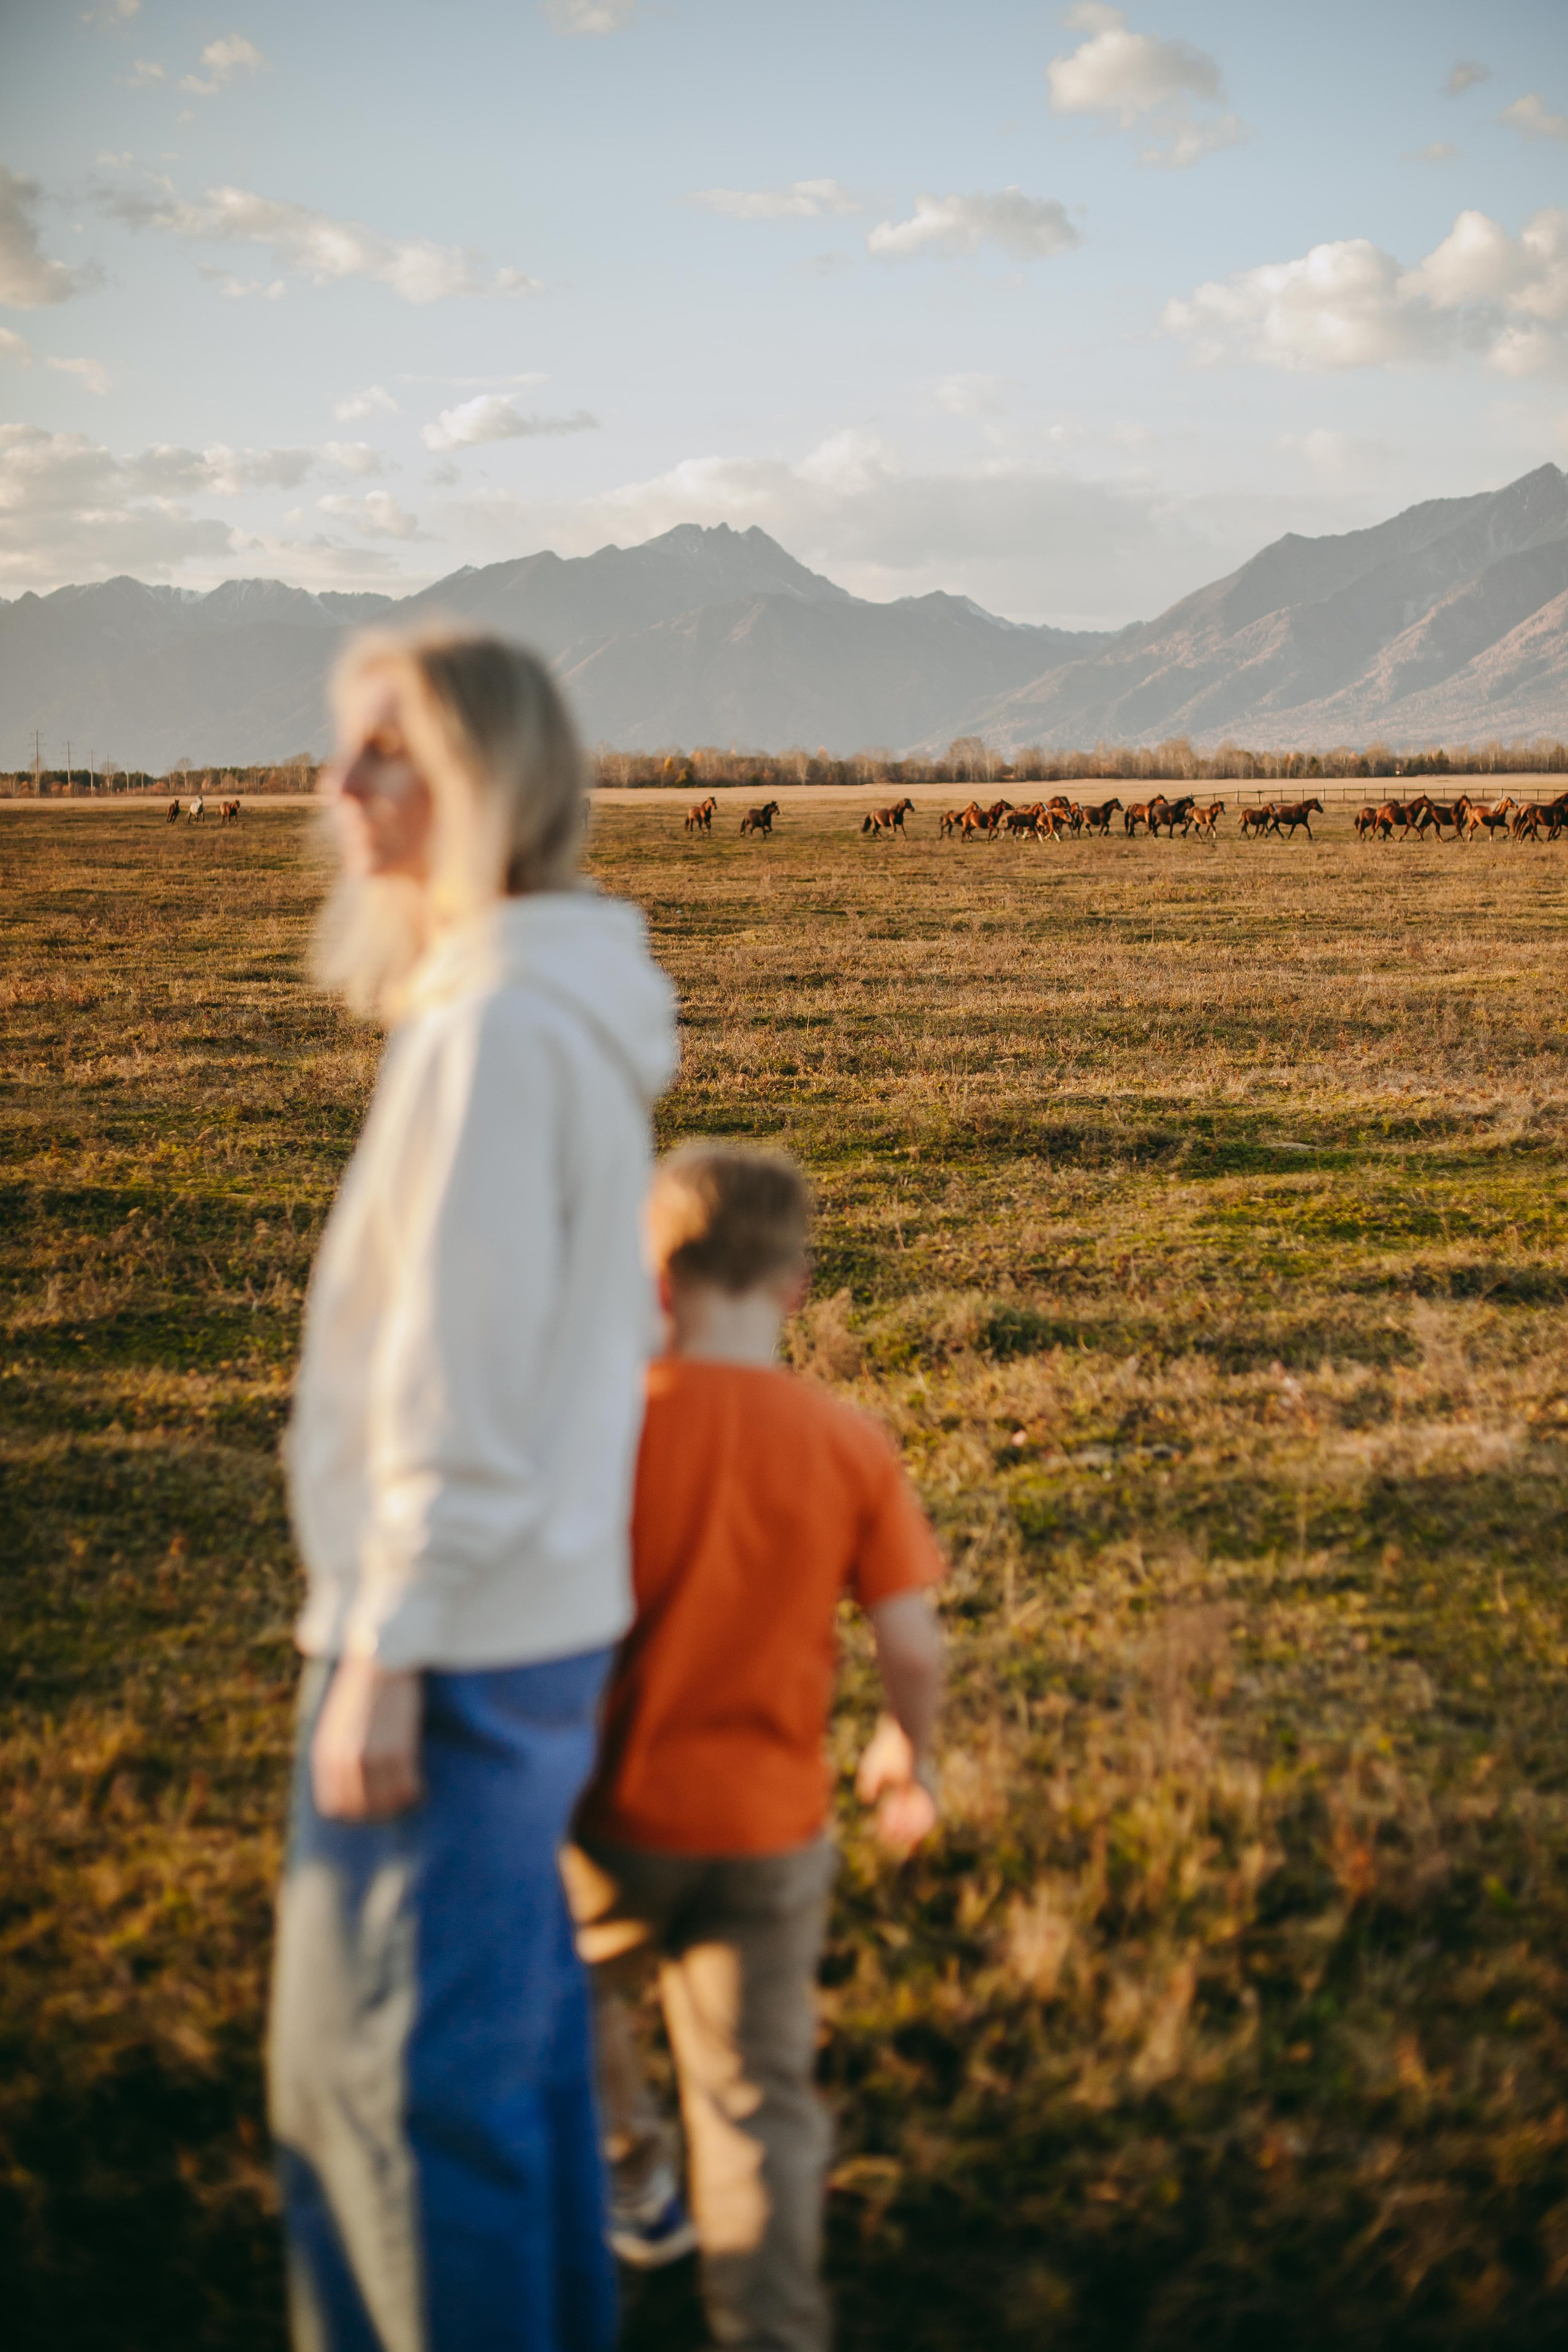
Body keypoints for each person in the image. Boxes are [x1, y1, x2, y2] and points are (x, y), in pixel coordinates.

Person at [266, 626, 678, 2352]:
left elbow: (461, 1385)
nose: (336, 792)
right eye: (343, 751)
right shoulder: (538, 1012)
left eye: (387, 755)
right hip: (523, 1630)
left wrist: (386, 1640)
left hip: (447, 1651)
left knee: (391, 2102)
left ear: (488, 788)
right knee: (496, 2087)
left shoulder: (495, 1035)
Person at [562, 1143, 945, 2352]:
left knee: (560, 2008)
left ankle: (626, 2164)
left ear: (654, 1285)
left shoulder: (601, 1429)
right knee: (759, 2102)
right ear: (794, 1288)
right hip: (772, 1833)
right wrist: (904, 1748)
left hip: (610, 1822)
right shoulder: (846, 1441)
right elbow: (912, 1643)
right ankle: (770, 2328)